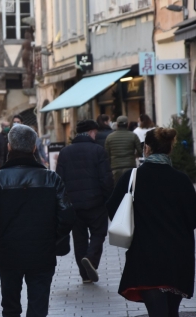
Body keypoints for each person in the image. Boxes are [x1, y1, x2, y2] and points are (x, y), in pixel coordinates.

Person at [0, 125, 75, 317]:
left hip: (9, 253)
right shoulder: (51, 178)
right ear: (34, 148)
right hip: (42, 252)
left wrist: (0, 238)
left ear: (9, 147)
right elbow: (67, 216)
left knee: (11, 307)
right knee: (38, 308)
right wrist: (51, 238)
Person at [106, 128, 196, 317]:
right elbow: (194, 218)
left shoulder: (132, 178)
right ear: (169, 150)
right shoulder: (181, 180)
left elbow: (112, 211)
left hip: (146, 256)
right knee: (172, 311)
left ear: (147, 148)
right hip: (178, 256)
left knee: (157, 312)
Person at [56, 120, 114, 284]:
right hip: (96, 203)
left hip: (74, 205)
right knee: (98, 233)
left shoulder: (65, 152)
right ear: (91, 132)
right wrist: (108, 199)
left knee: (79, 238)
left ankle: (85, 275)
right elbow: (106, 179)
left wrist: (63, 203)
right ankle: (91, 259)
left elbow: (59, 180)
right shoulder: (98, 151)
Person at [105, 115, 142, 184]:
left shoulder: (109, 137)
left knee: (118, 189)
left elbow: (107, 155)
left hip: (115, 168)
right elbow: (140, 151)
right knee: (129, 189)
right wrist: (134, 155)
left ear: (117, 125)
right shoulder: (133, 136)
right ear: (127, 124)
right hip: (130, 166)